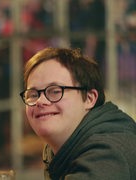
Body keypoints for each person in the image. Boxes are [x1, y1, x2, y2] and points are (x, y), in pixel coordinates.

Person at [20, 47, 136, 179]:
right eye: (33, 94)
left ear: (89, 98)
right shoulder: (58, 150)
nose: (40, 101)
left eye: (55, 91)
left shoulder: (106, 153)